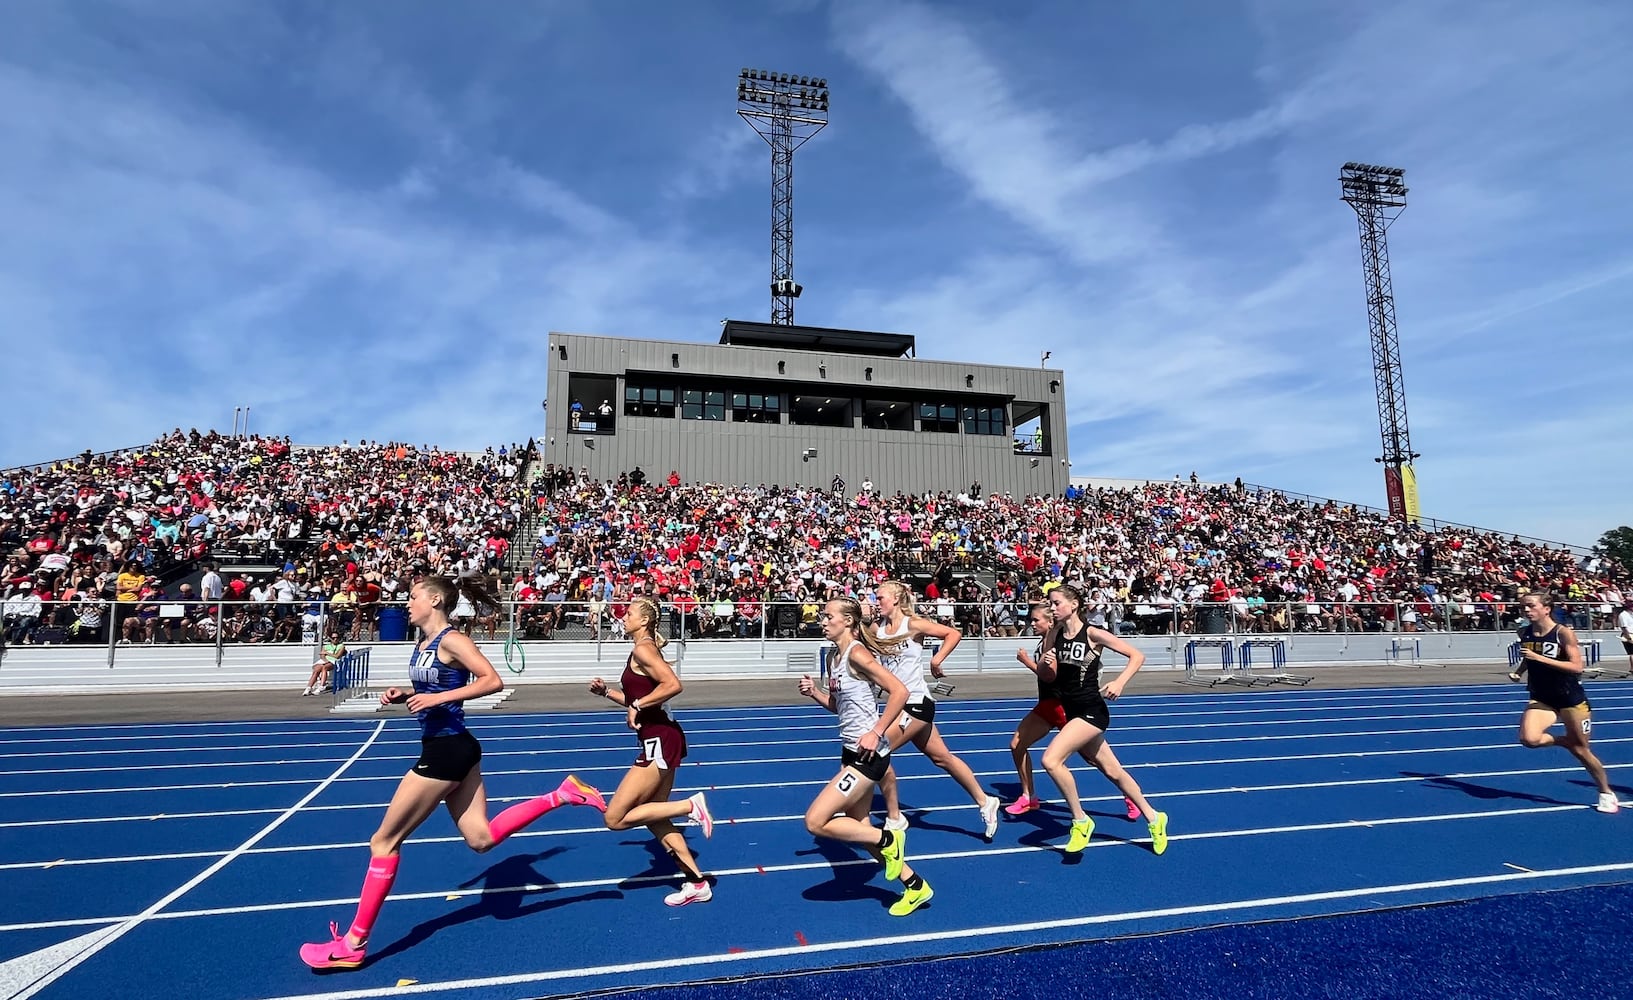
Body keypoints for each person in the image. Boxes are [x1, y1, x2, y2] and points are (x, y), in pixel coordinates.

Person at [299, 576, 607, 970]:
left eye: (413, 598)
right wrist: (405, 693)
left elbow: (492, 680)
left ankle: (353, 944)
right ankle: (562, 794)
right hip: (452, 746)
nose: (406, 604)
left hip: (446, 752)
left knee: (383, 841)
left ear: (435, 600)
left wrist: (437, 697)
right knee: (481, 839)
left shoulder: (452, 640)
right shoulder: (422, 643)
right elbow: (432, 689)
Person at [798, 597, 934, 916]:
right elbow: (838, 707)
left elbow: (899, 691)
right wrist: (814, 692)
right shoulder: (833, 656)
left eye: (828, 615)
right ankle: (915, 887)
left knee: (816, 820)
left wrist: (877, 731)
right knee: (860, 827)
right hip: (850, 751)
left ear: (847, 621)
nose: (822, 619)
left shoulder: (857, 652)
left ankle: (889, 837)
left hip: (869, 755)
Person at [588, 597, 716, 906]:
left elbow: (673, 684)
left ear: (644, 620)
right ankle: (697, 882)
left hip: (659, 739)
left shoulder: (643, 649)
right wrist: (609, 693)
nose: (624, 616)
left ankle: (689, 806)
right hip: (662, 735)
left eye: (629, 613)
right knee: (656, 817)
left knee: (615, 818)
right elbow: (643, 698)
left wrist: (638, 705)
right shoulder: (644, 649)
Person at [1036, 583, 1168, 855]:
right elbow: (1046, 676)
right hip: (1071, 710)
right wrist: (1045, 664)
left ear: (1074, 605)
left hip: (1091, 710)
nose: (1053, 608)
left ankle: (1081, 821)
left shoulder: (1093, 634)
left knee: (1050, 760)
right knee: (1113, 772)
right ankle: (1155, 818)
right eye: (1050, 603)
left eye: (1057, 602)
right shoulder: (1054, 634)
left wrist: (1119, 682)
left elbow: (1137, 655)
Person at [871, 580, 1000, 842]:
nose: (877, 601)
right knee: (942, 758)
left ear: (895, 599)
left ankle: (895, 817)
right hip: (896, 705)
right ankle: (985, 800)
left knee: (876, 751)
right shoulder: (878, 629)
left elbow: (953, 634)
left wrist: (937, 658)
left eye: (881, 597)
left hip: (918, 703)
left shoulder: (913, 625)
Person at [1005, 602, 1139, 822]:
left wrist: (1027, 662)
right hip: (1047, 705)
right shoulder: (1045, 643)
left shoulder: (1061, 642)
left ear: (1050, 622)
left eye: (1036, 620)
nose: (1032, 623)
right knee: (1017, 744)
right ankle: (1029, 796)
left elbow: (1053, 676)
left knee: (1097, 761)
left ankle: (1130, 794)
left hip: (1066, 707)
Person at [1506, 591, 1618, 813]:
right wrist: (1519, 671)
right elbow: (1529, 657)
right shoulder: (1524, 632)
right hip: (1541, 697)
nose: (1526, 610)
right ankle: (1564, 741)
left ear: (1546, 609)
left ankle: (1606, 791)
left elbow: (1577, 667)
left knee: (1581, 750)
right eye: (1523, 607)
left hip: (1570, 699)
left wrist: (1541, 659)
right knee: (1529, 739)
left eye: (1530, 606)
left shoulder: (1563, 633)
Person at [302, 619, 347, 696]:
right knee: (316, 670)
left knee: (324, 668)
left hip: (334, 661)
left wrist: (327, 653)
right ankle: (309, 687)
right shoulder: (326, 646)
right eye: (333, 638)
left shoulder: (341, 646)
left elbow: (337, 656)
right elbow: (322, 655)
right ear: (330, 639)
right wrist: (326, 659)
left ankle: (321, 686)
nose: (335, 639)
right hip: (325, 660)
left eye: (337, 638)